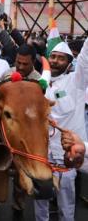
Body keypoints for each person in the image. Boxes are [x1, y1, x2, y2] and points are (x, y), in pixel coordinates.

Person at [34, 39, 88, 221]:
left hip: (66, 157)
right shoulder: (39, 84)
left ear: (69, 63)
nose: (55, 61)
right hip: (41, 156)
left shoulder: (76, 82)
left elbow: (85, 58)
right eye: (53, 57)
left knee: (66, 207)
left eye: (61, 58)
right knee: (40, 203)